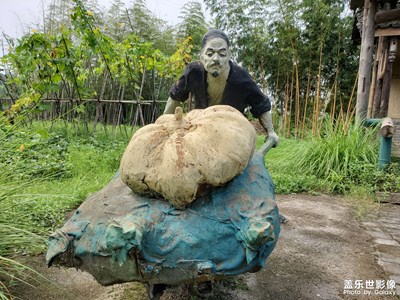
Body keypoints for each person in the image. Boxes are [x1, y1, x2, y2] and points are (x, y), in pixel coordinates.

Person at [164, 29, 279, 147]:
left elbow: (261, 105)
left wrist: (271, 132)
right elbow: (175, 96)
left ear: (229, 56)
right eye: (210, 54)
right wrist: (162, 126)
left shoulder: (241, 78)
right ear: (202, 56)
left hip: (232, 135)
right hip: (200, 132)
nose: (215, 59)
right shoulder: (194, 72)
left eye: (222, 54)